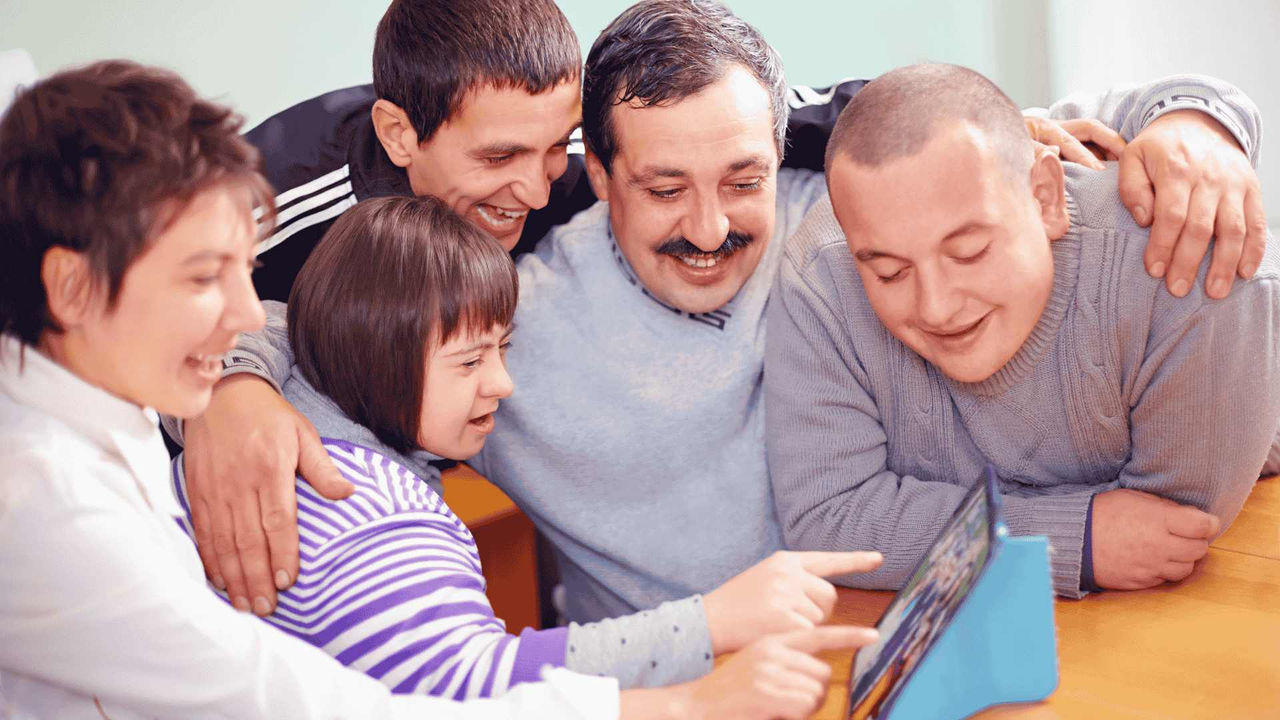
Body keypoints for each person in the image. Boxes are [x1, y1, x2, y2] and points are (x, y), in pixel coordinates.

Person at [221, 0, 1267, 624]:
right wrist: (235, 385)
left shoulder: (848, 199)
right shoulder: (502, 318)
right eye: (663, 190)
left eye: (740, 178)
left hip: (943, 629)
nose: (712, 228)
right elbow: (315, 355)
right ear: (597, 174)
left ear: (778, 151)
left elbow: (1031, 134)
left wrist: (1196, 123)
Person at [0, 59, 638, 720]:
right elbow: (304, 700)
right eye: (200, 279)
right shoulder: (46, 507)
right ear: (72, 288)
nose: (250, 315)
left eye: (244, 271)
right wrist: (669, 706)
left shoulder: (107, 414)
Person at [169, 195, 881, 706]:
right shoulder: (364, 509)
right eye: (471, 362)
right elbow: (478, 686)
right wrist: (712, 629)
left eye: (501, 352)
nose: (502, 385)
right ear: (377, 355)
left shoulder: (299, 402)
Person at [764, 63, 1280, 599]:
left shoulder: (1195, 267)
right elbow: (829, 518)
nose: (937, 308)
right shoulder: (822, 270)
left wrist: (1197, 115)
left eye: (969, 252)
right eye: (890, 272)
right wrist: (1063, 535)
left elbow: (1165, 535)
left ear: (1045, 198)